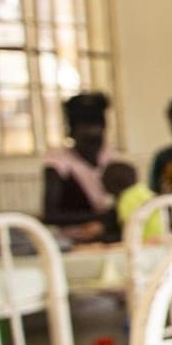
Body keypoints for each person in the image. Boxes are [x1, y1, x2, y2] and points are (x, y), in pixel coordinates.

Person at [41, 92, 127, 241]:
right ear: (72, 132)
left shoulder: (111, 158)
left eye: (98, 132)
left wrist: (106, 223)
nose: (93, 140)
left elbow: (126, 203)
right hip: (74, 239)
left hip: (109, 234)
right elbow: (50, 215)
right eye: (86, 133)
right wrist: (100, 217)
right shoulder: (58, 163)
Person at [102, 162, 156, 243]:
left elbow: (128, 231)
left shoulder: (125, 199)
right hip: (159, 237)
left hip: (143, 241)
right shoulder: (143, 190)